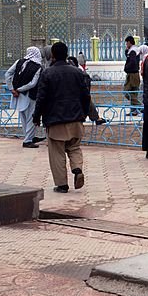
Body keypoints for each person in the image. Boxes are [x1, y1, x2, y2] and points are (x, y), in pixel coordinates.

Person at [32, 42, 90, 194]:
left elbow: (41, 98)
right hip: (76, 118)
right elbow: (86, 96)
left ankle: (62, 184)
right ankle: (77, 169)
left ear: (53, 55)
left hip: (56, 119)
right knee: (74, 147)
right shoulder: (77, 73)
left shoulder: (48, 73)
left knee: (57, 152)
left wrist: (36, 116)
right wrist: (83, 114)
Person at [4, 46, 44, 148]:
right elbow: (32, 84)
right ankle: (28, 140)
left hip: (18, 95)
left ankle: (29, 137)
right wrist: (19, 89)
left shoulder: (19, 62)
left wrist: (12, 89)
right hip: (29, 95)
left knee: (23, 117)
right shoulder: (38, 67)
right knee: (31, 118)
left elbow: (7, 74)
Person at [67, 57, 108, 125]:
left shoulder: (78, 72)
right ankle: (96, 118)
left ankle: (96, 118)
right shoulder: (80, 72)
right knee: (86, 100)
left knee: (87, 101)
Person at [123, 36, 141, 115]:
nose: (126, 44)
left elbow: (132, 62)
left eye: (127, 42)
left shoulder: (133, 51)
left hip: (132, 74)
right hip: (134, 74)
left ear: (129, 42)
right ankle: (134, 111)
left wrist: (126, 68)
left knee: (126, 92)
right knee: (133, 93)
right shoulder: (133, 50)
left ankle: (140, 106)